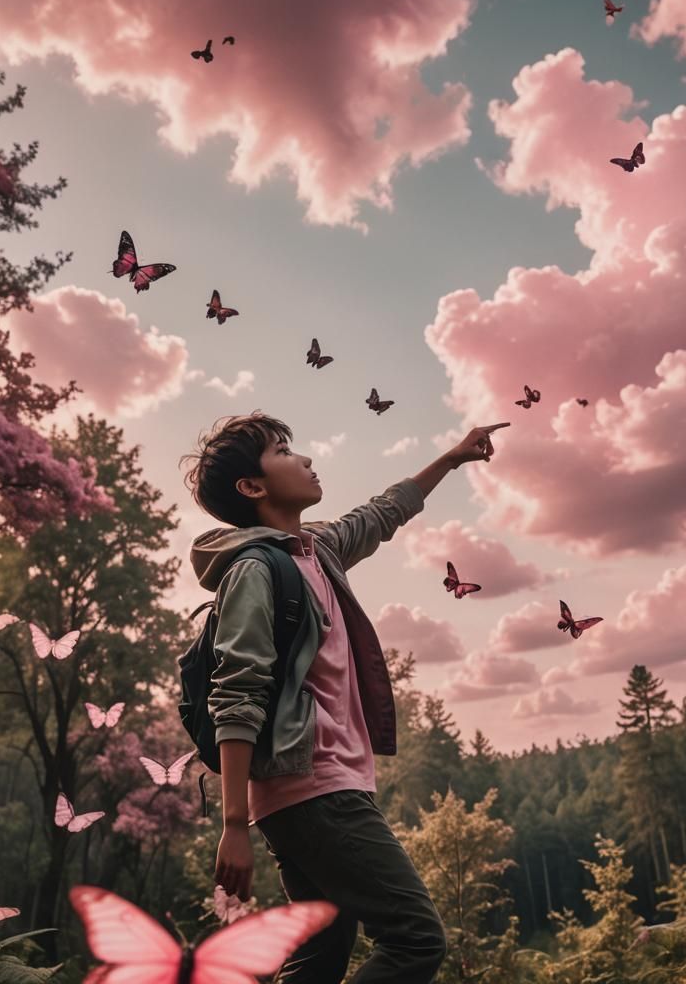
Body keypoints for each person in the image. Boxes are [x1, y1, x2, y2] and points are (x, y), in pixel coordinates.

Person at [180, 411, 508, 983]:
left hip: (317, 790)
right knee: (415, 939)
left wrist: (453, 458)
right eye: (283, 451)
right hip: (314, 787)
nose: (303, 458)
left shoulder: (317, 552)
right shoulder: (255, 571)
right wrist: (233, 825)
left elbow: (382, 513)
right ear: (253, 487)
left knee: (321, 955)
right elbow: (235, 694)